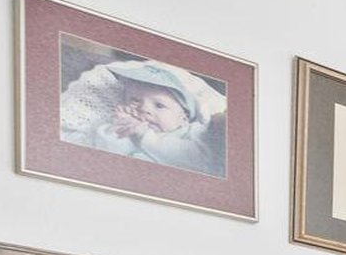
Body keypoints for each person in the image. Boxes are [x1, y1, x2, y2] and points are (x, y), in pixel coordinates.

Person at [58, 55, 226, 175]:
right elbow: (103, 154)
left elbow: (197, 162)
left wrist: (145, 137)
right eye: (135, 101)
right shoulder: (120, 126)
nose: (144, 109)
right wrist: (120, 129)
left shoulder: (192, 132)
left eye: (159, 105)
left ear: (184, 118)